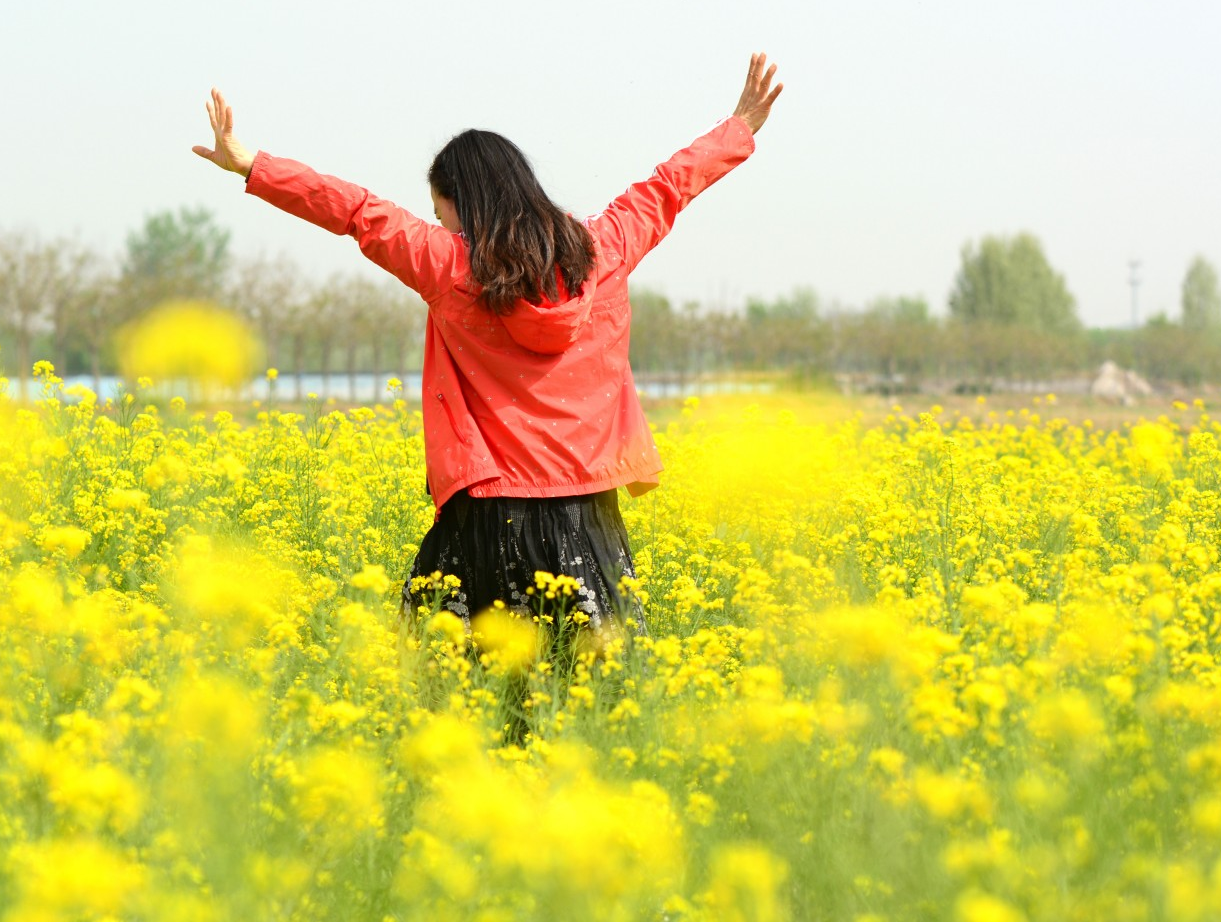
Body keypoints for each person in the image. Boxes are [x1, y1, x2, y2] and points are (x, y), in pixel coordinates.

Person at [193, 53, 784, 653]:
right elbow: (667, 188)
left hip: (487, 511)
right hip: (586, 509)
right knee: (588, 690)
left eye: (441, 212)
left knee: (462, 693)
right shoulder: (604, 250)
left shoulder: (446, 265)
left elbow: (354, 210)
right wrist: (738, 128)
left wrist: (252, 165)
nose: (441, 226)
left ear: (463, 203)